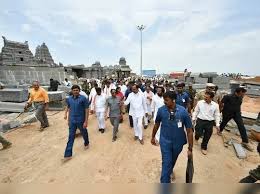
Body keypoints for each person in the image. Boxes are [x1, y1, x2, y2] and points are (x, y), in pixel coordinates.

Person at [151, 91, 193, 183]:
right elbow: (156, 124)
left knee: (172, 160)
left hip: (178, 143)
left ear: (173, 100)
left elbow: (189, 131)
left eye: (166, 100)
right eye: (164, 100)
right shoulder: (161, 110)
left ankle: (170, 170)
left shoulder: (183, 112)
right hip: (165, 142)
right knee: (166, 162)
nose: (164, 102)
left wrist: (190, 148)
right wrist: (153, 137)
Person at [218, 87, 253, 151]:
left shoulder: (240, 98)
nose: (244, 95)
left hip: (237, 114)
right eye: (243, 93)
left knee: (241, 126)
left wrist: (239, 112)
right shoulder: (227, 96)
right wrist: (220, 110)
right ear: (239, 92)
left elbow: (239, 105)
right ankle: (220, 131)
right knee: (224, 122)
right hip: (227, 113)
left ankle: (245, 142)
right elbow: (221, 103)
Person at [63, 85, 90, 160]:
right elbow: (68, 108)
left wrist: (86, 121)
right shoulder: (69, 99)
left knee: (84, 132)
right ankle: (68, 154)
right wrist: (67, 117)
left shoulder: (83, 99)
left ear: (79, 91)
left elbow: (86, 110)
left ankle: (86, 142)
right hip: (72, 120)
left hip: (81, 120)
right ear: (72, 91)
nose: (75, 91)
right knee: (71, 136)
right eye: (74, 90)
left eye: (77, 90)